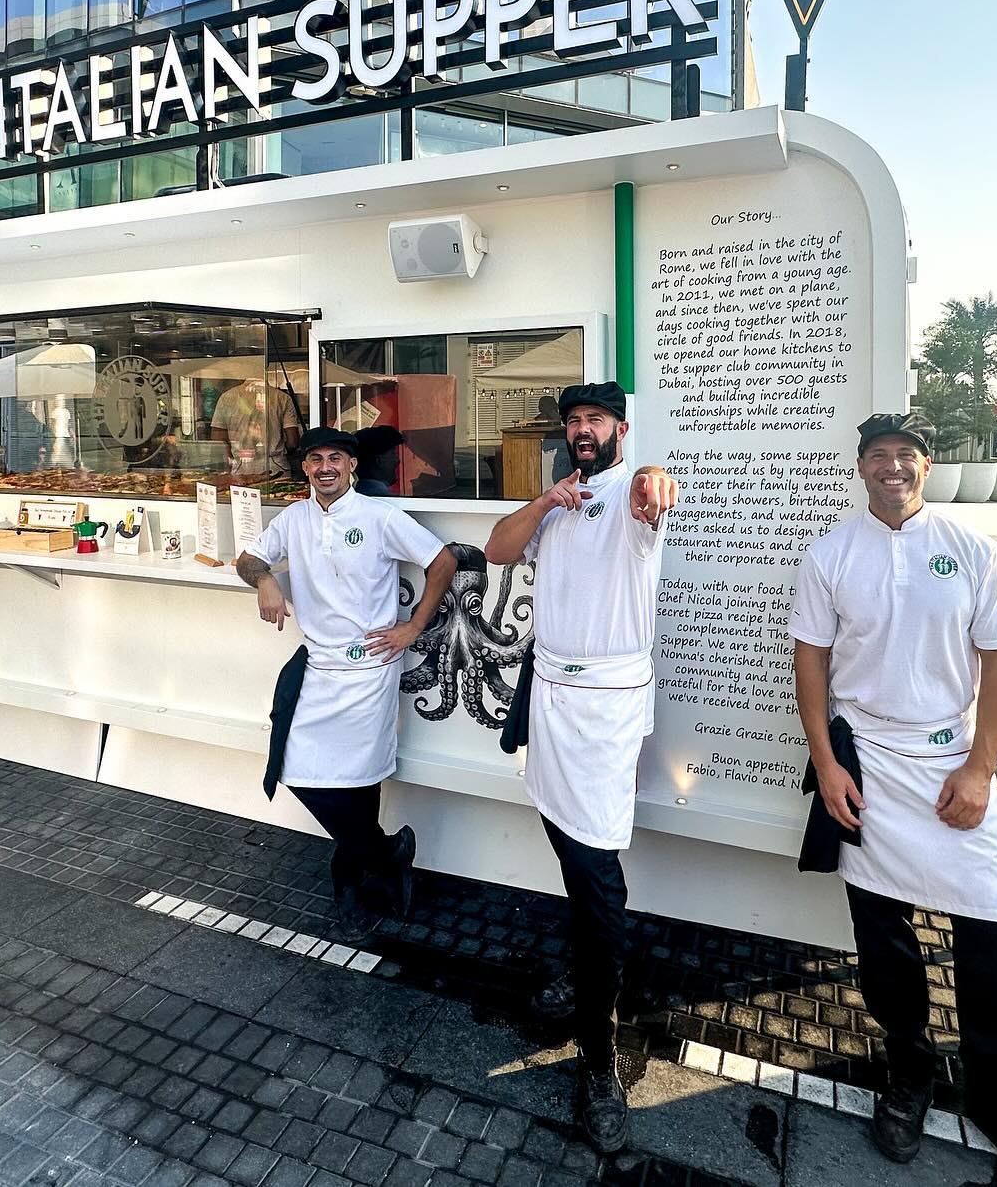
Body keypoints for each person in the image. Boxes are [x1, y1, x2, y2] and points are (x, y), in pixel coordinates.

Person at [791, 411, 997, 1185]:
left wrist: (979, 770)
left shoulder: (971, 550)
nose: (892, 468)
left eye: (905, 455)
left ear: (926, 467)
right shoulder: (831, 553)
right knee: (884, 937)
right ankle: (909, 1071)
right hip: (868, 763)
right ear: (861, 467)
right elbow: (810, 665)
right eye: (878, 456)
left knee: (992, 931)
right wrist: (828, 763)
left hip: (950, 762)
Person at [484, 381, 678, 1154]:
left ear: (621, 428)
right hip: (552, 700)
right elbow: (499, 548)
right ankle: (590, 972)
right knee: (570, 846)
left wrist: (650, 485)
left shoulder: (634, 505)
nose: (584, 430)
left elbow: (653, 494)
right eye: (574, 421)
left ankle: (600, 1057)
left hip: (605, 711)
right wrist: (544, 503)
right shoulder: (557, 503)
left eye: (596, 419)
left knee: (597, 869)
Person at [236, 427, 456, 944]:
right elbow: (248, 558)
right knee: (300, 773)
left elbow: (443, 561)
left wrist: (413, 627)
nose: (325, 467)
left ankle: (349, 883)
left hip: (369, 668)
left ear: (352, 466)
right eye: (316, 459)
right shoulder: (292, 519)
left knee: (359, 784)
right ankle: (387, 853)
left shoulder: (379, 517)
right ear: (306, 469)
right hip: (319, 665)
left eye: (336, 457)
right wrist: (264, 578)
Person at [212, 377, 302, 477]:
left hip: (241, 467)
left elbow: (218, 438)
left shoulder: (226, 397)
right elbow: (293, 442)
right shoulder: (282, 398)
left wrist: (231, 459)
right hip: (275, 466)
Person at [354, 425, 404, 496]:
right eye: (393, 453)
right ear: (379, 460)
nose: (397, 460)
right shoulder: (387, 502)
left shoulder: (353, 498)